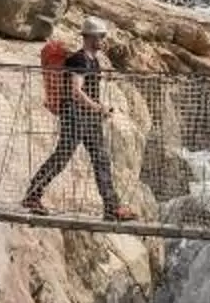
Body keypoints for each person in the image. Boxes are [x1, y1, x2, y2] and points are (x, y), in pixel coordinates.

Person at [23, 18, 139, 221]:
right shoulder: (79, 60)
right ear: (90, 37)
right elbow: (76, 91)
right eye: (100, 36)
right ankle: (33, 195)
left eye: (103, 36)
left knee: (101, 160)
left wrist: (97, 109)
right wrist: (99, 107)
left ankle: (112, 207)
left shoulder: (93, 60)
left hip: (88, 116)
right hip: (75, 114)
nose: (103, 39)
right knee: (62, 157)